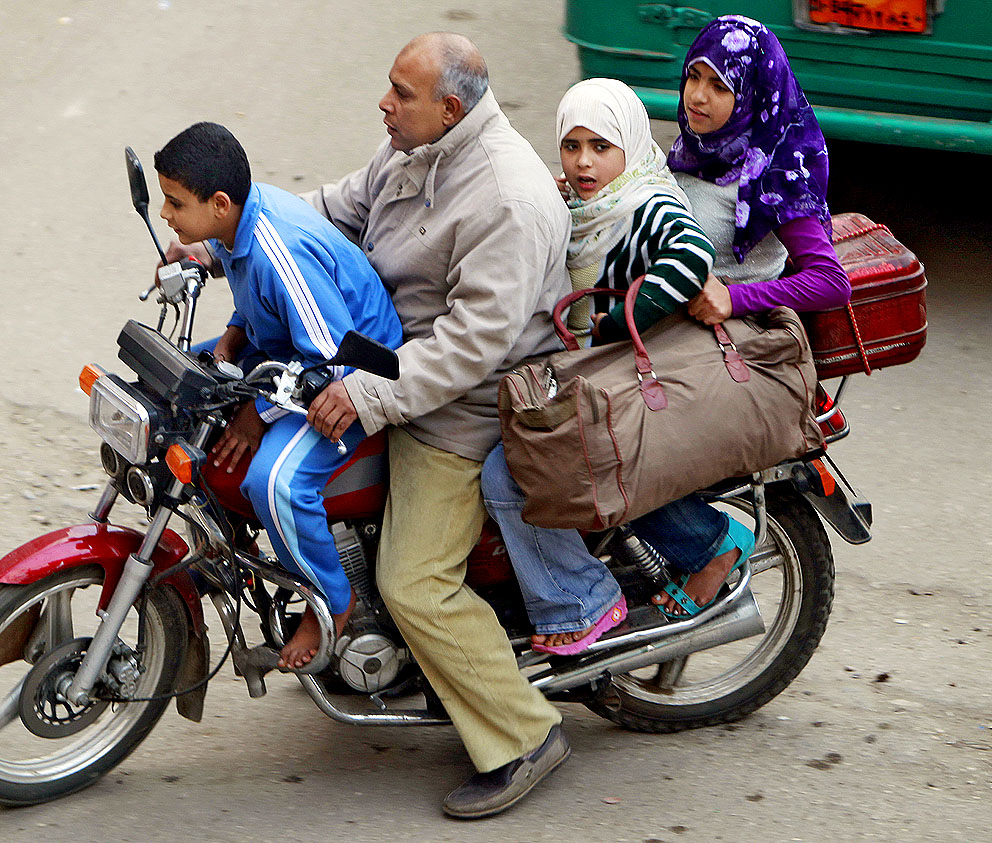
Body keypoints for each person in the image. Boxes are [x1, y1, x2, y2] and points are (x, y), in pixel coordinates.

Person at [300, 33, 574, 819]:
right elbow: (336, 208)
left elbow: (469, 347)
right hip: (394, 362)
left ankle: (526, 735)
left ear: (450, 107)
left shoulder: (506, 199)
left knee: (413, 581)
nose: (383, 104)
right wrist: (231, 232)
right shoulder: (412, 148)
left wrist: (367, 395)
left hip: (466, 409)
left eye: (400, 93)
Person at [152, 122, 403, 669]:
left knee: (276, 481)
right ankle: (226, 534)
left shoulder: (277, 248)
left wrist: (255, 415)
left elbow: (328, 355)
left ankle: (331, 602)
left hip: (349, 376)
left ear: (219, 203)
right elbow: (259, 305)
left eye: (175, 203)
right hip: (287, 350)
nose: (166, 215)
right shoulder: (234, 225)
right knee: (179, 383)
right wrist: (226, 346)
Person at [480, 78, 715, 654]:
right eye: (572, 145)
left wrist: (616, 326)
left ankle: (581, 599)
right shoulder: (589, 205)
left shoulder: (646, 203)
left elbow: (692, 256)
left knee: (510, 471)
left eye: (601, 148)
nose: (584, 162)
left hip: (629, 377)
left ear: (630, 147)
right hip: (591, 370)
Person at [646, 14, 851, 616]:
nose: (699, 97)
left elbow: (828, 281)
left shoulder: (778, 168)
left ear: (753, 94)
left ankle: (710, 545)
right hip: (664, 320)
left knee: (603, 435)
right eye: (694, 78)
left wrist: (735, 298)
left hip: (721, 337)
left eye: (719, 85)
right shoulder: (694, 148)